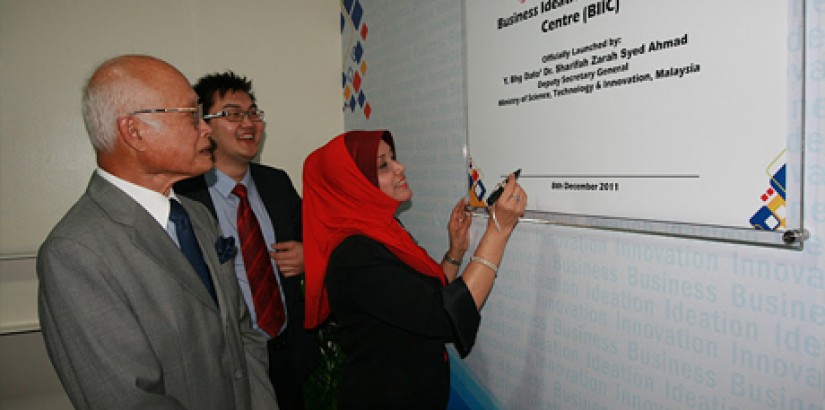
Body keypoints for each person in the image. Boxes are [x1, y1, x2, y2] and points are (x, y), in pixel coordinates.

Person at [37, 55, 277, 410]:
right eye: (192, 115)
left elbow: (242, 334)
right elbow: (129, 400)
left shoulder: (196, 216)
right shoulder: (76, 252)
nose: (207, 128)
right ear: (134, 132)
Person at [301, 130, 526, 409]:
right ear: (353, 184)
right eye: (383, 165)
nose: (400, 167)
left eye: (393, 158)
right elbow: (443, 317)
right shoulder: (354, 255)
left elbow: (421, 301)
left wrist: (455, 252)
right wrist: (498, 230)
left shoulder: (382, 230)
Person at [175, 71, 320, 410]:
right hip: (227, 364)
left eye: (253, 112)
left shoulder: (276, 183)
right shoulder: (183, 197)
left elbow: (318, 241)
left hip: (287, 354)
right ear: (203, 125)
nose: (249, 122)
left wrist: (309, 255)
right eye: (233, 114)